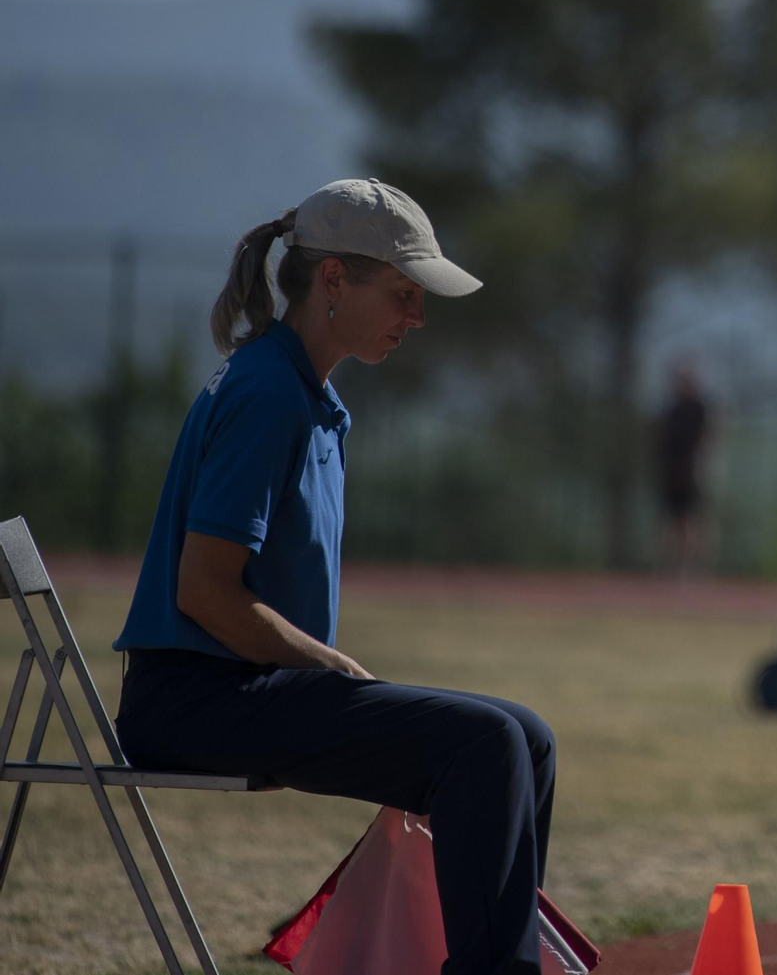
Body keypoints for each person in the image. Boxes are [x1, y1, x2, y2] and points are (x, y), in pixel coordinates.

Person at [112, 178, 556, 975]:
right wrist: (325, 663)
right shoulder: (266, 392)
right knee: (485, 743)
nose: (415, 317)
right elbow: (203, 590)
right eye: (402, 293)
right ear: (333, 281)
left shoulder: (302, 392)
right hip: (195, 699)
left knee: (528, 735)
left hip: (240, 688)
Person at [653, 358, 713, 575]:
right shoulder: (671, 410)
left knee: (691, 520)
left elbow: (706, 439)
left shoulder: (699, 409)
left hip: (691, 471)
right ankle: (667, 567)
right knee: (669, 519)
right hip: (670, 471)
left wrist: (699, 466)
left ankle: (692, 568)